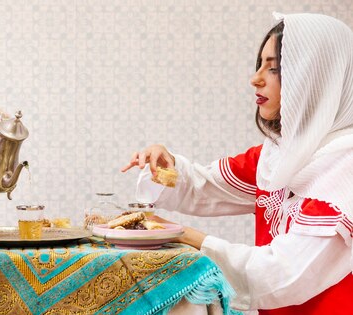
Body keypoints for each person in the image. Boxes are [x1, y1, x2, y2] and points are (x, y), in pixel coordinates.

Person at [122, 13, 353, 314]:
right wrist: (168, 167)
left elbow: (282, 275)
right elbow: (205, 187)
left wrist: (188, 237)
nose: (255, 79)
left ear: (316, 76)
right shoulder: (280, 156)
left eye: (274, 68)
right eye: (260, 65)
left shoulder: (343, 170)